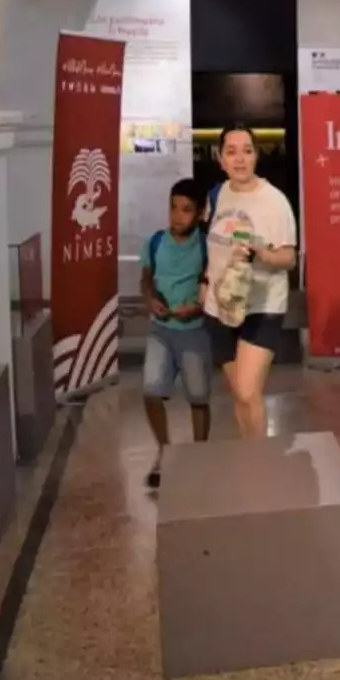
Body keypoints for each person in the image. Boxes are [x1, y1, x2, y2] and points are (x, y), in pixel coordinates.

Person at [203, 125, 297, 440]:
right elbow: (211, 244)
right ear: (220, 158)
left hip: (262, 306)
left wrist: (262, 254)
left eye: (247, 150)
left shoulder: (274, 201)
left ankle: (260, 461)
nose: (240, 159)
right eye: (231, 151)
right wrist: (205, 280)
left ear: (256, 155)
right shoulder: (218, 194)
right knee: (242, 396)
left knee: (246, 389)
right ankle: (250, 452)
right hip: (221, 307)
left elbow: (289, 258)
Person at [138, 179, 213, 488]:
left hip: (195, 332)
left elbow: (216, 284)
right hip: (161, 331)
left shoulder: (207, 245)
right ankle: (163, 450)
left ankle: (200, 455)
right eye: (173, 208)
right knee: (151, 391)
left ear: (199, 214)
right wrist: (150, 300)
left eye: (186, 210)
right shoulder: (155, 242)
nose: (177, 216)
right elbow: (145, 278)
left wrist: (197, 308)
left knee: (198, 397)